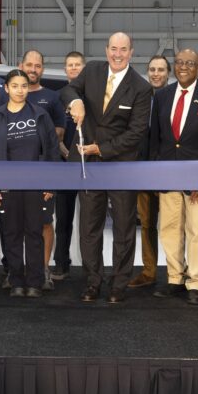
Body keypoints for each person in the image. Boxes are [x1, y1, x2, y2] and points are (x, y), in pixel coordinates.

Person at [60, 32, 152, 304]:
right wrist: (75, 101)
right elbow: (69, 89)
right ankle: (92, 282)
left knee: (124, 228)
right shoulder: (92, 70)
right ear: (106, 49)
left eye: (123, 49)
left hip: (120, 165)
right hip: (88, 165)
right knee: (89, 227)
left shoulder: (141, 87)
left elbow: (136, 133)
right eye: (113, 48)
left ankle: (118, 284)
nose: (117, 54)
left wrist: (102, 148)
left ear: (131, 52)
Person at [149, 49, 198, 305]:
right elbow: (155, 139)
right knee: (169, 229)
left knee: (196, 230)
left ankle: (196, 282)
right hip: (167, 174)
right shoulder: (162, 96)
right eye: (180, 63)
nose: (183, 67)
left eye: (189, 63)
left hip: (197, 178)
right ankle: (174, 278)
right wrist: (156, 172)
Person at [0, 69, 61, 298]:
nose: (20, 90)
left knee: (34, 233)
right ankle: (16, 280)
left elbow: (52, 151)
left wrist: (50, 185)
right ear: (6, 88)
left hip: (36, 184)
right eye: (15, 86)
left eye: (24, 86)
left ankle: (35, 282)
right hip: (6, 185)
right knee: (12, 233)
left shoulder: (41, 115)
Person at [19, 49, 66, 290]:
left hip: (45, 168)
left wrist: (32, 138)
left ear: (42, 69)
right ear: (21, 65)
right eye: (29, 65)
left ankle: (44, 269)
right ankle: (18, 271)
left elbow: (59, 131)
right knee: (18, 223)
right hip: (16, 171)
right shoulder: (9, 96)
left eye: (38, 65)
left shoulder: (52, 97)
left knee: (45, 222)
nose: (33, 69)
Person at [129, 54, 170, 289]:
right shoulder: (139, 97)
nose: (156, 73)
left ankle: (178, 271)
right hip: (142, 169)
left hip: (167, 169)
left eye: (161, 70)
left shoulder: (174, 98)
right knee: (147, 224)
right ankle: (149, 271)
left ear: (168, 73)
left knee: (175, 225)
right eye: (152, 69)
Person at [51, 50, 85, 280]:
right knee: (63, 219)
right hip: (64, 166)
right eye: (69, 65)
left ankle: (92, 267)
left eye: (77, 65)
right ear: (65, 69)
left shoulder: (91, 98)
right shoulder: (57, 97)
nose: (73, 68)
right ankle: (61, 264)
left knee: (91, 221)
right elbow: (53, 132)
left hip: (88, 166)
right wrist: (64, 150)